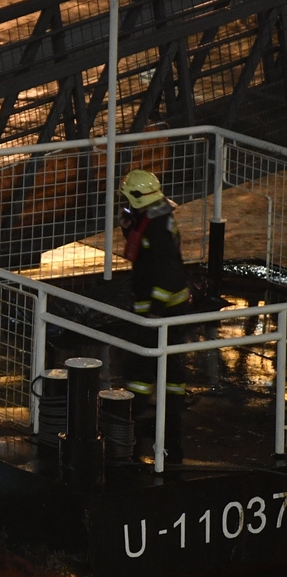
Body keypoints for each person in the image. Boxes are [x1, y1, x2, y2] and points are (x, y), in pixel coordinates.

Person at [118, 168, 189, 463]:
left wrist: (154, 312)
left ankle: (130, 418)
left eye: (126, 199)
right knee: (169, 368)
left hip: (162, 310)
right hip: (166, 307)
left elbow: (166, 272)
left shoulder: (157, 228)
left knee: (140, 365)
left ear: (138, 197)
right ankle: (169, 423)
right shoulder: (154, 218)